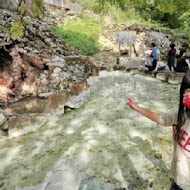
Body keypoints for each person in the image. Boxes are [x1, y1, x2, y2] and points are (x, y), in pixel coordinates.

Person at [126, 70, 190, 190]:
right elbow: (161, 119)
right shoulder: (181, 115)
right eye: (189, 91)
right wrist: (137, 108)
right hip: (177, 180)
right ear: (183, 93)